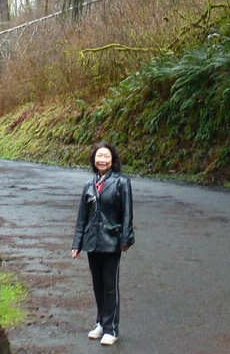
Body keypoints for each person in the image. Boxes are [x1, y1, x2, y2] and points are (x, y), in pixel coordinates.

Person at [71, 141, 134, 346]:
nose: (102, 159)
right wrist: (77, 243)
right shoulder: (89, 185)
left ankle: (112, 328)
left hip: (111, 241)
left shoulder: (122, 182)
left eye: (106, 156)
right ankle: (101, 322)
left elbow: (127, 214)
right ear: (94, 160)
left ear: (113, 160)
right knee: (97, 284)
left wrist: (125, 240)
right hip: (92, 241)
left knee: (110, 285)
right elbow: (82, 217)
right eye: (99, 156)